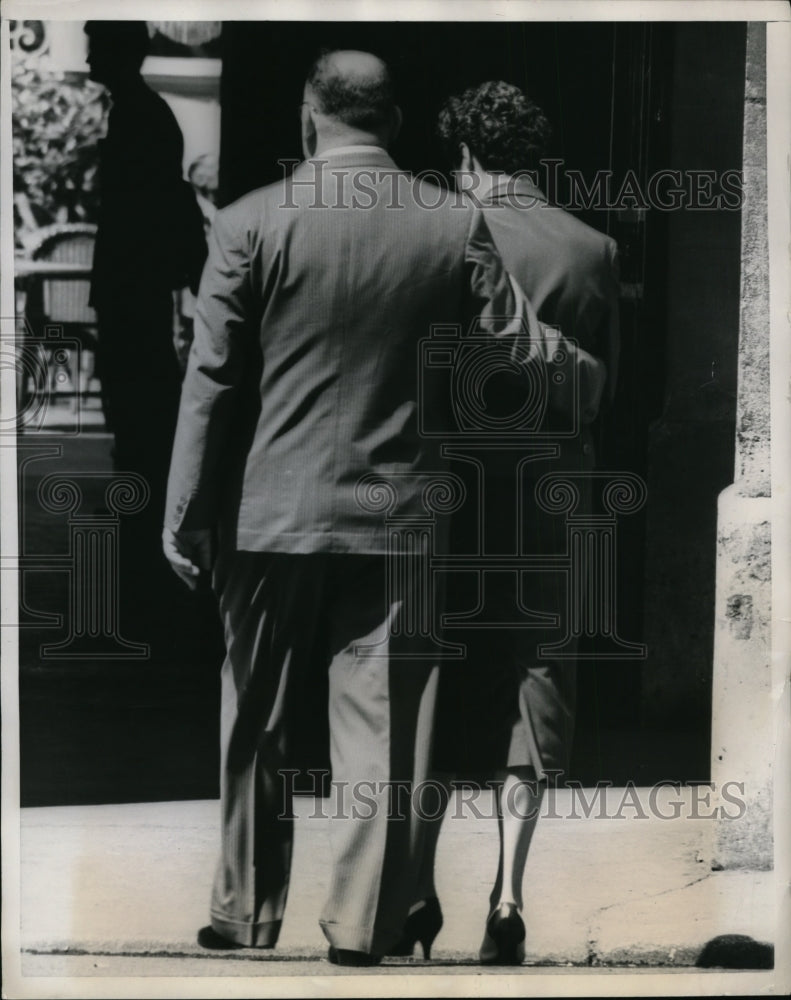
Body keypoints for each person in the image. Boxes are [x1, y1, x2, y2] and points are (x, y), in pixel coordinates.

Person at [163, 51, 599, 966]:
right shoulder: (451, 223)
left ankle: (243, 912)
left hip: (267, 512)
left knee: (255, 715)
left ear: (307, 117)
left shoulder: (247, 224)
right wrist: (588, 383)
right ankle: (362, 923)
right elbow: (515, 340)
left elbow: (210, 382)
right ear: (394, 124)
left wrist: (185, 512)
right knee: (387, 726)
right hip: (397, 513)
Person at [392, 81, 620, 965]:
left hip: (450, 483)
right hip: (554, 485)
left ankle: (417, 887)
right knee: (536, 673)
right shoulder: (592, 247)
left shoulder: (439, 234)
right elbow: (611, 388)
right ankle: (510, 891)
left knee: (435, 672)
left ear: (468, 158)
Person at [85, 20, 207, 647]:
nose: (83, 46)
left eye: (94, 37)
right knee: (139, 433)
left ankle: (143, 576)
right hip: (137, 297)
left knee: (139, 434)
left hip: (133, 299)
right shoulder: (141, 113)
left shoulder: (139, 115)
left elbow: (150, 208)